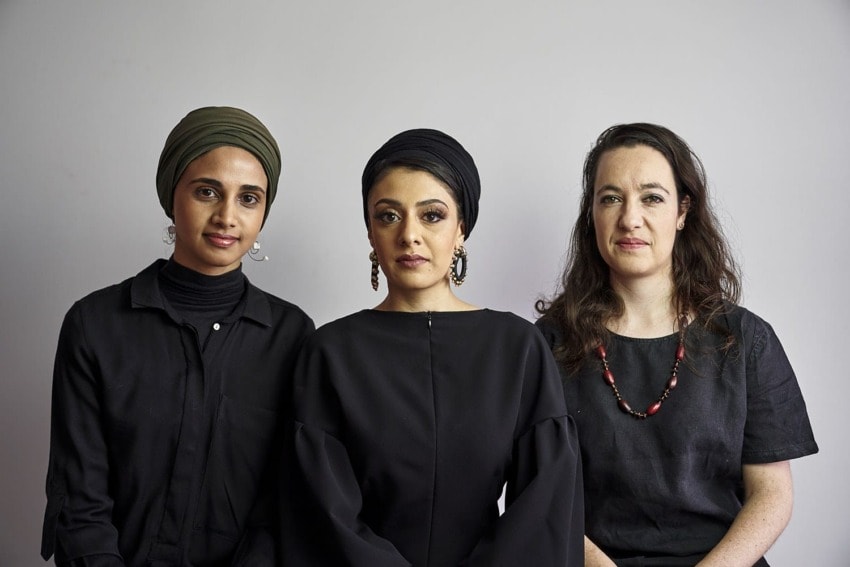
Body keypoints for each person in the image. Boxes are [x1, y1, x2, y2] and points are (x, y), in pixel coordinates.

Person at [281, 128, 583, 566]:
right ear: (370, 232)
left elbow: (545, 509)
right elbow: (319, 513)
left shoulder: (517, 348)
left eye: (432, 215)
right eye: (388, 216)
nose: (409, 235)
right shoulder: (329, 352)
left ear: (461, 228)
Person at [41, 106, 314, 566]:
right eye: (207, 191)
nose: (227, 216)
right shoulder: (95, 325)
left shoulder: (293, 337)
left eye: (249, 198)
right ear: (172, 195)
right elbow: (80, 497)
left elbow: (283, 502)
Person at [535, 122, 818, 566]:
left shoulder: (746, 340)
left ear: (682, 212)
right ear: (591, 214)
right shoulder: (546, 345)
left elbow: (772, 494)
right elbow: (540, 491)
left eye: (652, 197)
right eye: (610, 198)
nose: (631, 218)